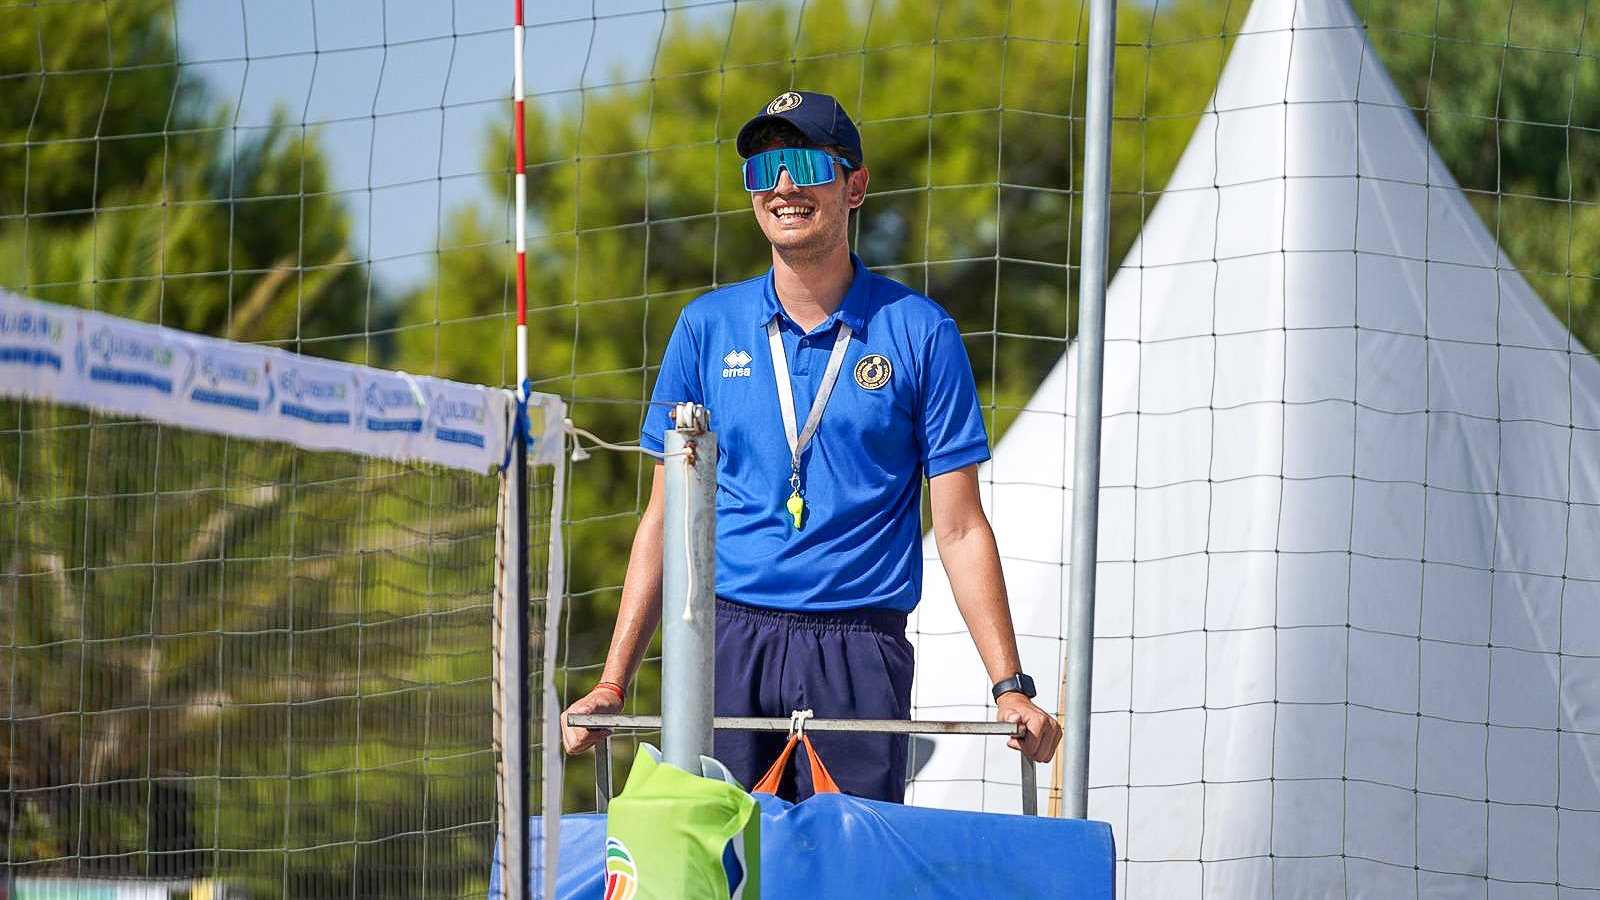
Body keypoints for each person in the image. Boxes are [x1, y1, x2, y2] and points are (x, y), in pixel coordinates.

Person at [561, 90, 1060, 802]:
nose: (784, 186)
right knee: (717, 871)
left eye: (803, 164)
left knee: (848, 873)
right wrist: (613, 682)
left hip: (859, 649)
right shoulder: (705, 327)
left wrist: (1009, 686)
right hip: (725, 642)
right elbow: (665, 520)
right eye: (764, 171)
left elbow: (957, 526)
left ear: (854, 186)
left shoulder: (921, 332)